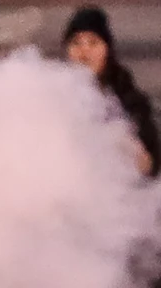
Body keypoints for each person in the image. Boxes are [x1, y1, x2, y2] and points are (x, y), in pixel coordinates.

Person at [62, 7, 159, 176]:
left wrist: (135, 153)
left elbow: (151, 162)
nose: (84, 52)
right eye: (76, 43)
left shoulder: (129, 99)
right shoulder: (55, 92)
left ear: (107, 49)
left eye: (93, 42)